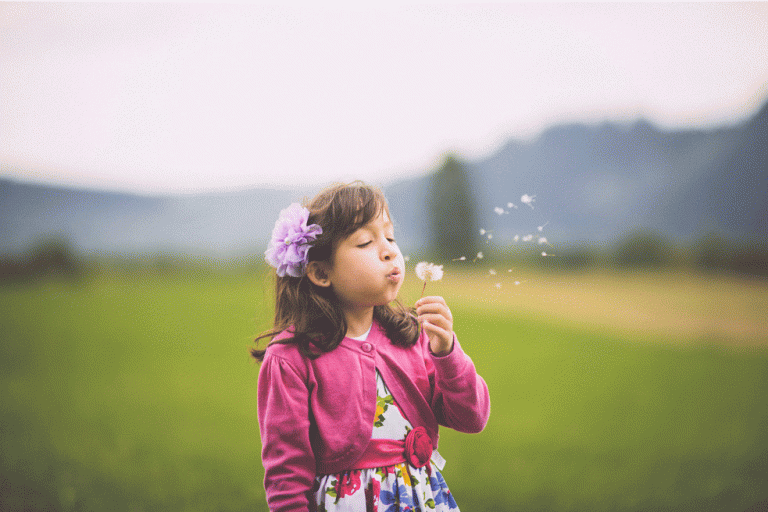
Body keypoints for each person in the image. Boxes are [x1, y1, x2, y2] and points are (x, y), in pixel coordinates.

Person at [253, 182, 490, 511]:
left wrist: (446, 352)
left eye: (390, 237)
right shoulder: (291, 358)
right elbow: (286, 477)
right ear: (321, 272)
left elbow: (472, 417)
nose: (390, 251)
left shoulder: (413, 337)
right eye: (365, 241)